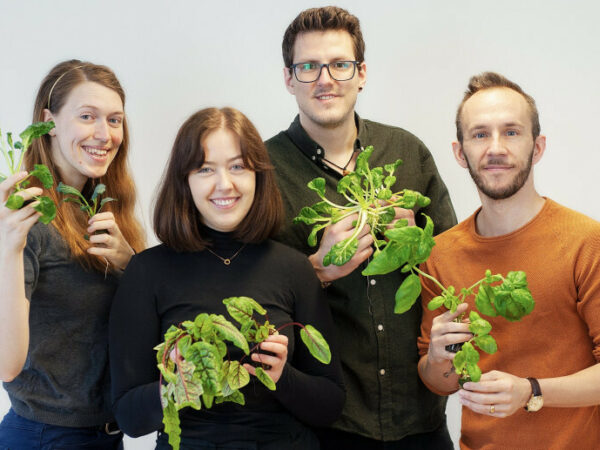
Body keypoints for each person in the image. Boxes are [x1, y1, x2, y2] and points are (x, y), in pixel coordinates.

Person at [265, 6, 457, 449]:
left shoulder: (407, 151)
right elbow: (251, 297)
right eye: (308, 66)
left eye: (339, 64)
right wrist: (315, 270)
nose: (325, 79)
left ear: (361, 73)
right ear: (289, 79)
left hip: (420, 417)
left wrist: (419, 243)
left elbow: (454, 266)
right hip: (325, 424)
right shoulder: (262, 169)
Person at [109, 107, 344, 449]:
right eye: (205, 169)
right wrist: (175, 381)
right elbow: (129, 418)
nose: (225, 184)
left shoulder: (294, 268)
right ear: (184, 180)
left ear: (258, 176)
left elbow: (330, 404)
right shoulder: (147, 271)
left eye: (238, 167)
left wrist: (282, 376)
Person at [417, 72, 600, 449]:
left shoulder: (586, 242)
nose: (495, 148)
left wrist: (531, 391)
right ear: (460, 152)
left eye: (511, 132)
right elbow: (439, 382)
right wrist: (436, 360)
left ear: (537, 147)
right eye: (480, 134)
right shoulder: (440, 254)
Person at [0, 60, 145, 448]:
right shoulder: (26, 218)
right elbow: (6, 364)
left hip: (104, 434)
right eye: (87, 116)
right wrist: (8, 249)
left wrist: (131, 264)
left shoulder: (103, 212)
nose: (104, 134)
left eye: (115, 120)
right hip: (46, 436)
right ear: (48, 122)